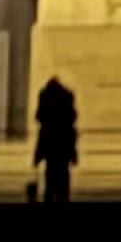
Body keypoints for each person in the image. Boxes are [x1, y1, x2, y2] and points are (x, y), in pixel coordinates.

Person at [33, 76, 79, 205]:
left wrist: (37, 157)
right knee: (63, 177)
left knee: (50, 178)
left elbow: (39, 116)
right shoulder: (67, 96)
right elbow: (73, 117)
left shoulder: (45, 97)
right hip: (63, 143)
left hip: (50, 143)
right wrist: (74, 155)